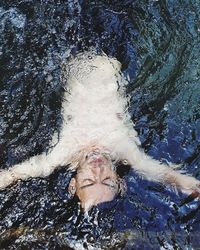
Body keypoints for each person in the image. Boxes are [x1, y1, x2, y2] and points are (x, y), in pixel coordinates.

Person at [0, 51, 200, 211]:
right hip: (114, 56)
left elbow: (15, 174)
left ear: (73, 184)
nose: (98, 169)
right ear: (120, 182)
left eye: (87, 181)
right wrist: (187, 184)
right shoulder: (123, 150)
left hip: (71, 55)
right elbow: (156, 171)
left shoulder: (62, 153)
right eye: (107, 180)